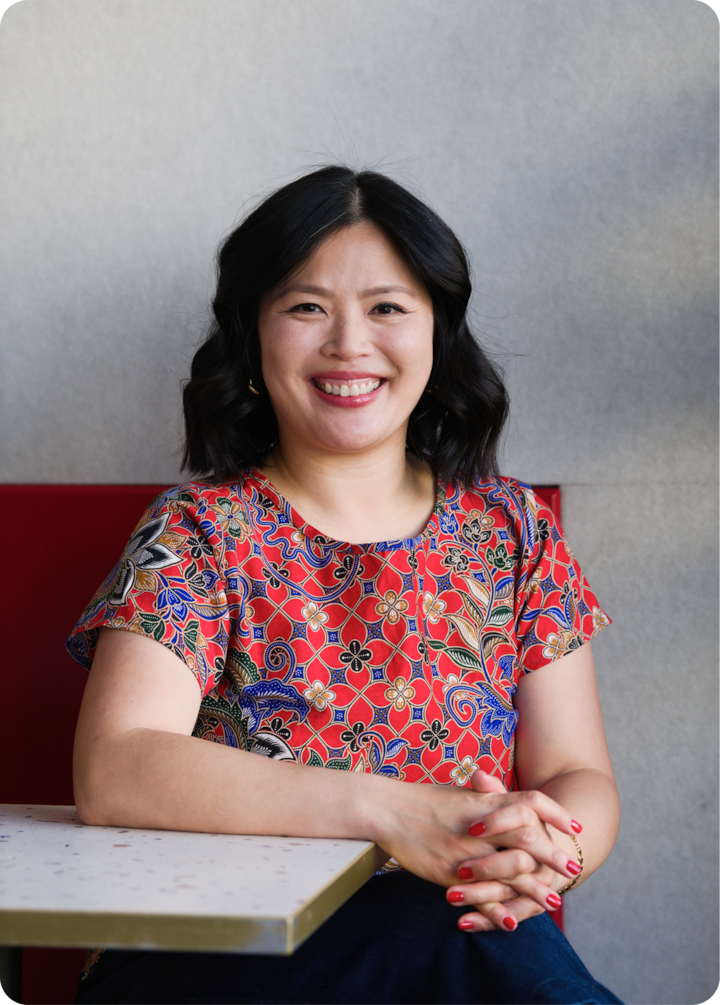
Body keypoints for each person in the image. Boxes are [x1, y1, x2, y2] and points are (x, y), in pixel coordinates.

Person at [68, 165, 623, 1005]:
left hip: (459, 944)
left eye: (388, 307)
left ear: (439, 334)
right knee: (431, 917)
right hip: (214, 951)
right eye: (306, 307)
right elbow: (115, 768)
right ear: (252, 337)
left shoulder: (513, 529)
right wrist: (389, 813)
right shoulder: (200, 532)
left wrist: (544, 854)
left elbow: (577, 772)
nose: (349, 344)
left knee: (451, 923)